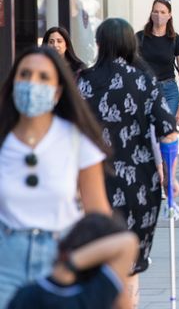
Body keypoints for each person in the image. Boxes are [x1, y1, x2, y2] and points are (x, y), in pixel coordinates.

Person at [78, 18, 179, 306]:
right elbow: (168, 133)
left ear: (99, 44)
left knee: (97, 255)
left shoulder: (84, 81)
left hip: (92, 181)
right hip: (139, 182)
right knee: (130, 260)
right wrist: (168, 177)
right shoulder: (144, 80)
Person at [0, 47, 111, 308]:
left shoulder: (76, 140)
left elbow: (98, 215)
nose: (32, 84)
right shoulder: (4, 139)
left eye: (43, 77)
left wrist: (106, 276)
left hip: (62, 258)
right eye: (25, 75)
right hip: (6, 261)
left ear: (58, 91)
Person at [7, 213, 139, 309]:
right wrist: (71, 263)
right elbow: (128, 242)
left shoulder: (29, 295)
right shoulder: (93, 297)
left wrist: (64, 266)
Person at [136, 0, 179, 118]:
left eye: (163, 12)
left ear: (169, 15)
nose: (158, 15)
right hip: (145, 88)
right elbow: (130, 66)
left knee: (168, 130)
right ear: (151, 14)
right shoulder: (139, 37)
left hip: (169, 90)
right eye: (155, 11)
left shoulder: (176, 39)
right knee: (148, 131)